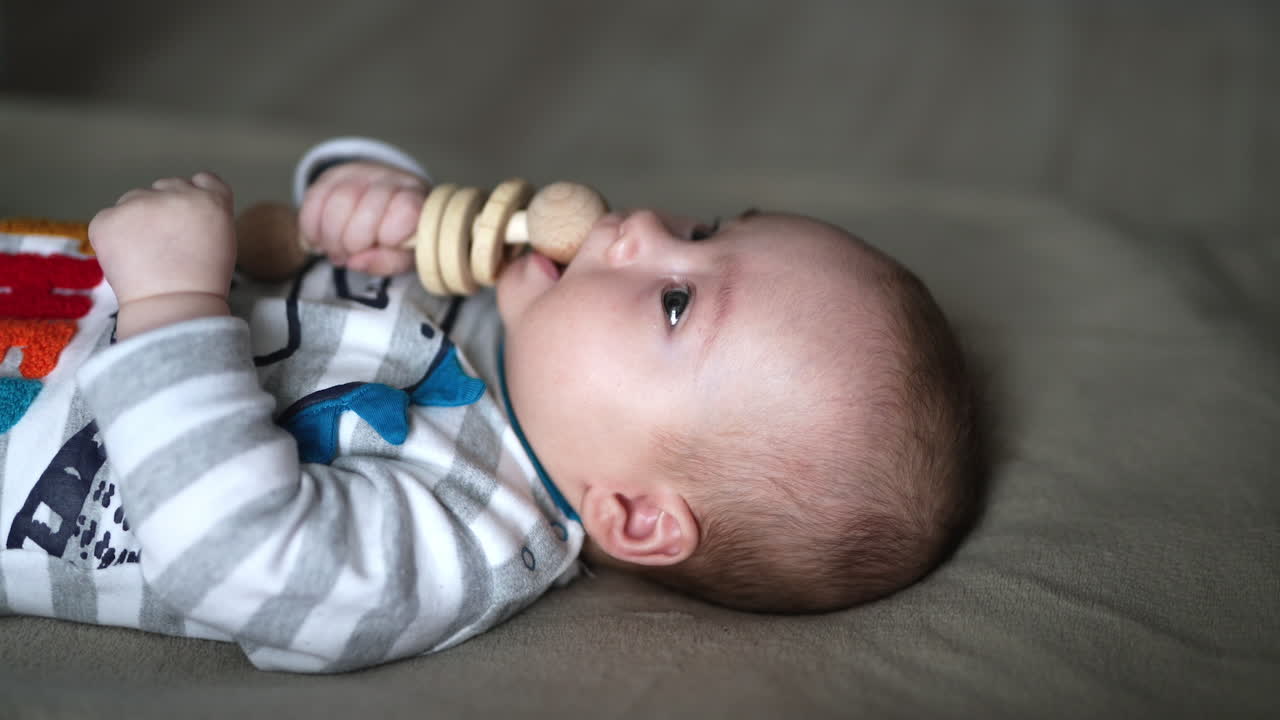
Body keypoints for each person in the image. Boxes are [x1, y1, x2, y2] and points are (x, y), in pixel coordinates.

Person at [0, 138, 978, 673]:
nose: (636, 226)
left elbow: (229, 552)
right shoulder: (503, 315)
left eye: (676, 301)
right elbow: (312, 240)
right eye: (701, 228)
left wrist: (175, 302)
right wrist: (359, 193)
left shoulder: (459, 543)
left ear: (631, 513)